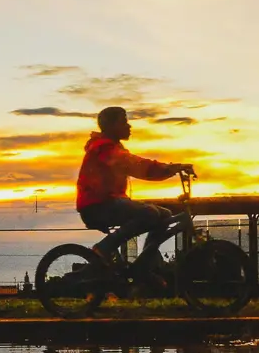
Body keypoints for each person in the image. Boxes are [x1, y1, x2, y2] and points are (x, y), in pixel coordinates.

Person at [76, 106, 194, 269]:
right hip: (98, 205)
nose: (129, 126)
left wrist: (169, 169)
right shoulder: (103, 148)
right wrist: (169, 168)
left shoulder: (110, 147)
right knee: (150, 212)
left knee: (164, 214)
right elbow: (134, 165)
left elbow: (137, 167)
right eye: (124, 121)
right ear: (111, 126)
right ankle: (104, 248)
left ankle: (144, 265)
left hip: (107, 202)